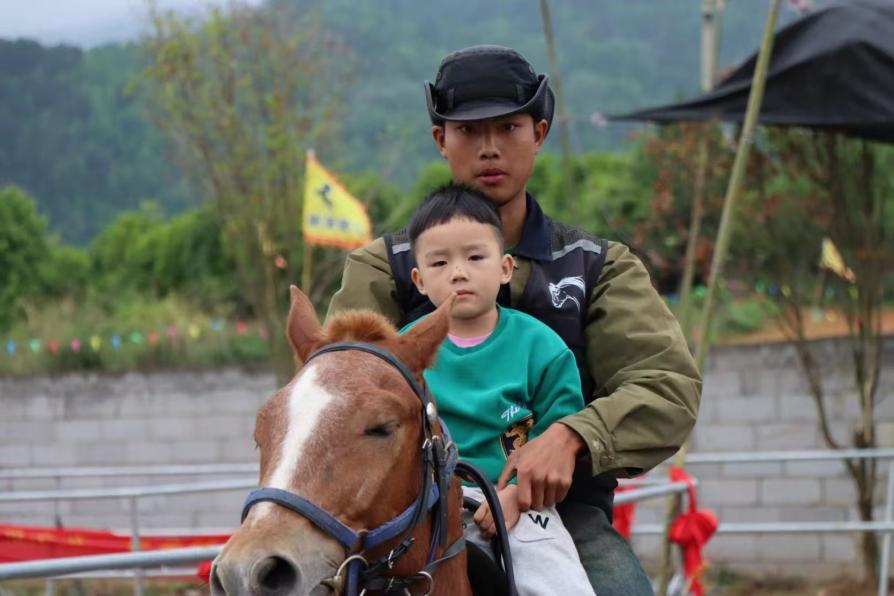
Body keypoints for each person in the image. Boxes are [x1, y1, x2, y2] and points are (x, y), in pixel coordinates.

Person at [327, 44, 702, 595]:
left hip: (561, 518)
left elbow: (667, 387)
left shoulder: (597, 266)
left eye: (509, 127)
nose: (490, 148)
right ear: (440, 140)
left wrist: (573, 435)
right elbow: (332, 396)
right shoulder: (383, 268)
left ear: (540, 133)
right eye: (468, 131)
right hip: (406, 526)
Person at [401, 184, 595, 596]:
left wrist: (514, 496)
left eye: (475, 257)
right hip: (425, 510)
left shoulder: (541, 347)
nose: (458, 272)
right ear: (418, 280)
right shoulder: (404, 352)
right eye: (439, 262)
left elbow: (559, 435)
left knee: (562, 586)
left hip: (520, 507)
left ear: (505, 267)